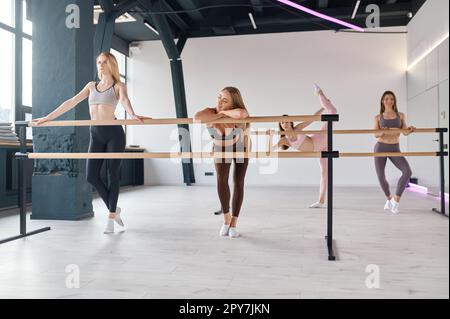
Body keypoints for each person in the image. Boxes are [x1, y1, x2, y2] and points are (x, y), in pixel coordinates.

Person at [32, 52, 150, 233]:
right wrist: (47, 117)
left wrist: (133, 115)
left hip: (114, 134)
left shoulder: (118, 86)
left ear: (111, 64)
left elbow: (125, 100)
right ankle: (114, 208)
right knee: (91, 176)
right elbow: (71, 102)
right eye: (98, 62)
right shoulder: (91, 86)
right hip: (96, 134)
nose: (100, 65)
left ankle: (111, 216)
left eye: (104, 62)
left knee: (113, 174)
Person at [194, 87, 250, 238]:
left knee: (238, 182)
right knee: (222, 180)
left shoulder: (236, 112)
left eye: (225, 100)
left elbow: (242, 113)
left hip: (241, 148)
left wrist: (222, 114)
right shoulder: (210, 111)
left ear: (233, 103)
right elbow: (197, 117)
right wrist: (218, 114)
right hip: (221, 148)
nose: (219, 102)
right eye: (218, 97)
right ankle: (226, 219)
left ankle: (234, 223)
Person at [273, 84, 336, 208]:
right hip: (321, 149)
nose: (285, 124)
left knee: (332, 112)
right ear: (280, 125)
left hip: (321, 139)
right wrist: (270, 142)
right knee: (324, 174)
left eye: (286, 121)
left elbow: (312, 118)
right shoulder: (285, 140)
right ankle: (321, 201)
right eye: (282, 122)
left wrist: (323, 108)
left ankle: (319, 93)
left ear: (291, 122)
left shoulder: (298, 128)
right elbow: (274, 148)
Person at [373, 91, 415, 214]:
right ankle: (388, 198)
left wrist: (410, 130)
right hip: (380, 147)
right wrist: (382, 131)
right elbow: (375, 134)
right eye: (386, 99)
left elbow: (405, 132)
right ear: (382, 101)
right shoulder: (378, 117)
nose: (389, 101)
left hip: (395, 148)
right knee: (381, 176)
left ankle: (395, 200)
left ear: (394, 101)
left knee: (407, 172)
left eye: (391, 99)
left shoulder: (400, 115)